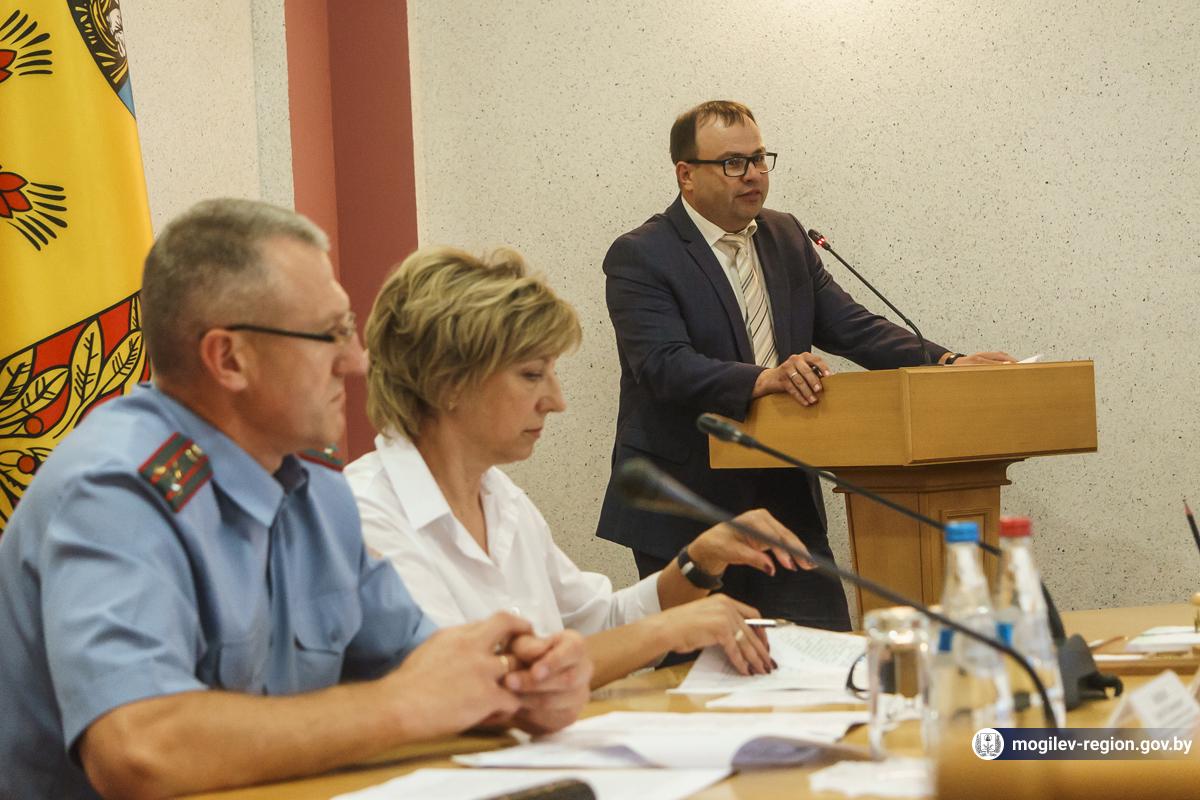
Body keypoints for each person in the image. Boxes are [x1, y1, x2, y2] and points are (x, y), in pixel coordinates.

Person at [0, 199, 591, 799]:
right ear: (229, 358)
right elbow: (140, 750)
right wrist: (401, 706)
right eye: (329, 334)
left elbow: (422, 662)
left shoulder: (313, 485)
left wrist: (523, 681)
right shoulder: (118, 490)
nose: (356, 361)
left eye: (349, 329)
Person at [595, 100, 1015, 631]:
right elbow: (663, 365)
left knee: (826, 652)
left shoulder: (785, 236)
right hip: (687, 502)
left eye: (759, 158)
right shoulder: (642, 254)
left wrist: (946, 361)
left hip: (784, 501)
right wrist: (762, 379)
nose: (753, 174)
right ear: (686, 175)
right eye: (733, 163)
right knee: (705, 667)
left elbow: (851, 326)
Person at [345, 246, 816, 688]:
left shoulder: (502, 498)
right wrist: (670, 629)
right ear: (447, 382)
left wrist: (700, 560)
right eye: (532, 375)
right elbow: (476, 686)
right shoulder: (366, 513)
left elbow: (600, 624)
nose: (556, 401)